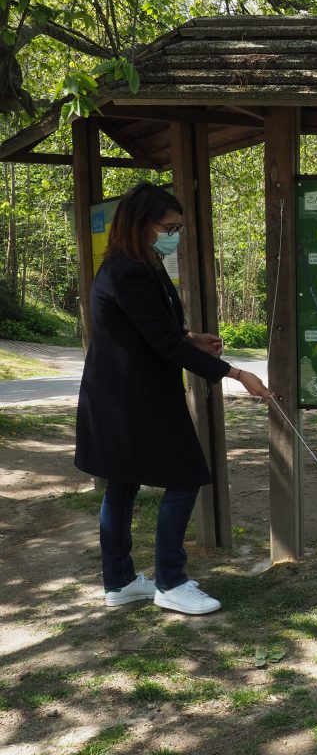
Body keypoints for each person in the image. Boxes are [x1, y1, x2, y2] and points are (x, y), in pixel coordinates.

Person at [75, 182, 272, 616]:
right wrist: (237, 374)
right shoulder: (127, 271)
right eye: (169, 226)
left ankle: (121, 581)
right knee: (185, 478)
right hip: (132, 401)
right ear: (142, 225)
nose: (175, 233)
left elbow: (155, 328)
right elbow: (163, 344)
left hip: (127, 397)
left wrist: (192, 337)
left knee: (122, 483)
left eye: (179, 226)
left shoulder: (145, 264)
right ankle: (171, 581)